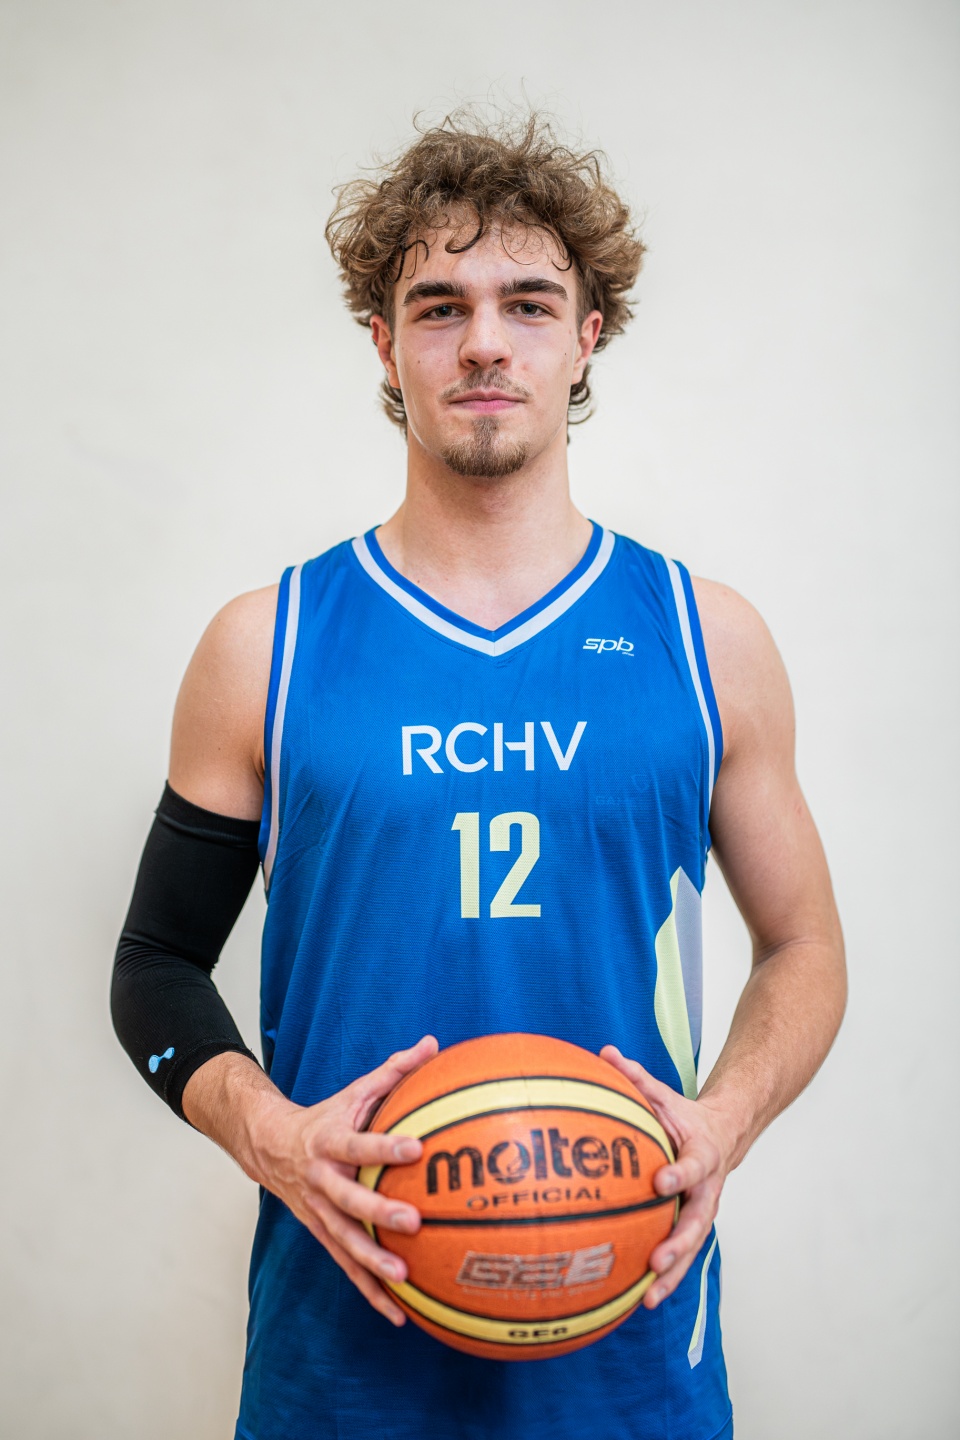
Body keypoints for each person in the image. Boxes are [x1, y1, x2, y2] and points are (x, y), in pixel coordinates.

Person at [112, 111, 846, 1440]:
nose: (487, 342)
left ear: (587, 337)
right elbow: (155, 965)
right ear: (384, 344)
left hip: (631, 1357)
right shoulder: (266, 645)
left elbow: (803, 945)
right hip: (340, 1367)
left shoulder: (707, 641)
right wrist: (271, 1134)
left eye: (529, 303)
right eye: (439, 307)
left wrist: (726, 1118)